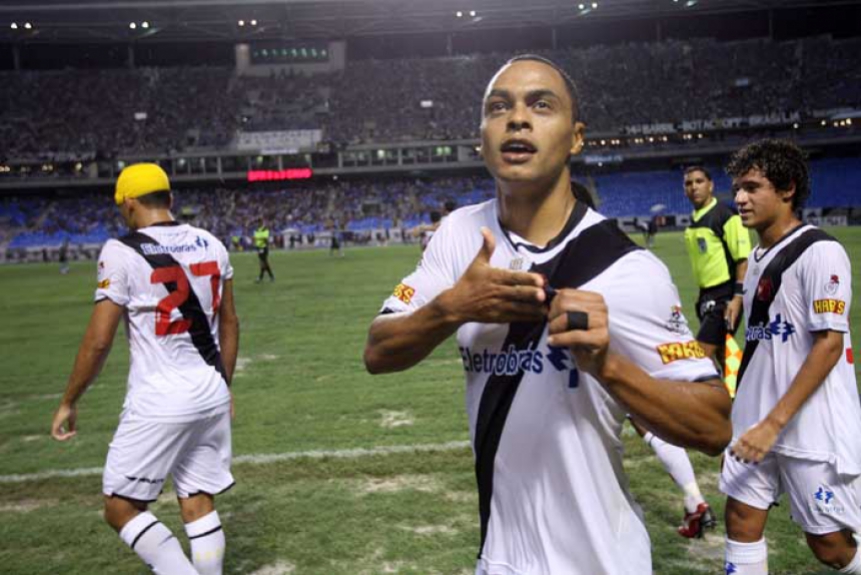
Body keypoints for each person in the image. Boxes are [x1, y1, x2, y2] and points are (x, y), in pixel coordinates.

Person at [364, 55, 731, 575]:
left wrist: (608, 366)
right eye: (499, 107)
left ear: (576, 137)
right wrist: (453, 307)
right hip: (500, 559)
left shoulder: (628, 267)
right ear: (482, 136)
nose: (517, 118)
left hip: (602, 561)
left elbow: (716, 425)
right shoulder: (458, 237)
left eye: (541, 104)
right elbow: (378, 351)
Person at [50, 163, 240, 575]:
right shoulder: (211, 242)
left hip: (160, 397)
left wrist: (69, 400)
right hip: (210, 389)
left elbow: (99, 340)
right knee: (198, 500)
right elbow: (229, 323)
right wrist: (224, 385)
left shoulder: (119, 251)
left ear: (129, 203)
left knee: (120, 506)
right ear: (169, 199)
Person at [720, 140, 861, 575]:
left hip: (807, 428)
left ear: (787, 189)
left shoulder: (820, 252)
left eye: (752, 187)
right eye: (738, 189)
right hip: (756, 424)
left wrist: (773, 425)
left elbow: (829, 345)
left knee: (830, 546)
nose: (740, 199)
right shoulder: (759, 256)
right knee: (741, 521)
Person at [683, 166, 750, 375]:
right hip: (706, 297)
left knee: (699, 356)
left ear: (710, 185)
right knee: (723, 354)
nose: (694, 187)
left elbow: (743, 260)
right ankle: (740, 399)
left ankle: (707, 403)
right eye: (688, 183)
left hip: (725, 298)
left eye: (699, 181)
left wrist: (737, 298)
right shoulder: (695, 220)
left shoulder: (726, 216)